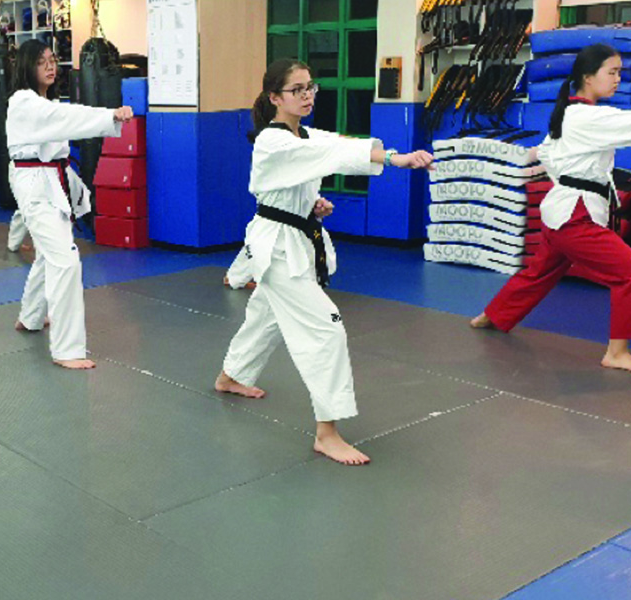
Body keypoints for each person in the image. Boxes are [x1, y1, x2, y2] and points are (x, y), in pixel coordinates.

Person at [215, 58, 433, 465]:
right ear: (275, 97)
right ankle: (327, 433)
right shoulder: (272, 140)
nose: (307, 95)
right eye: (296, 89)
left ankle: (231, 376)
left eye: (310, 87)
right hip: (278, 248)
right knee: (327, 330)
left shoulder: (304, 133)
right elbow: (330, 153)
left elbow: (326, 151)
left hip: (293, 237)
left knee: (266, 316)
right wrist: (396, 158)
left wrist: (310, 203)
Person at [471, 44, 631, 372]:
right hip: (575, 217)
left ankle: (491, 316)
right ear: (588, 77)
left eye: (620, 72)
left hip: (561, 212)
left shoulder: (568, 113)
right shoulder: (587, 117)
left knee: (538, 273)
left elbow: (545, 152)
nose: (618, 79)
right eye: (612, 72)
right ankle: (616, 353)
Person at [7, 40, 133, 369]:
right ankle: (67, 349)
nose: (51, 66)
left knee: (50, 253)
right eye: (42, 62)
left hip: (53, 180)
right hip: (36, 183)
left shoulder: (45, 101)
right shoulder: (24, 102)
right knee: (65, 261)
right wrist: (108, 115)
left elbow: (63, 118)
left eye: (53, 60)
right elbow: (67, 117)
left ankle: (31, 317)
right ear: (27, 66)